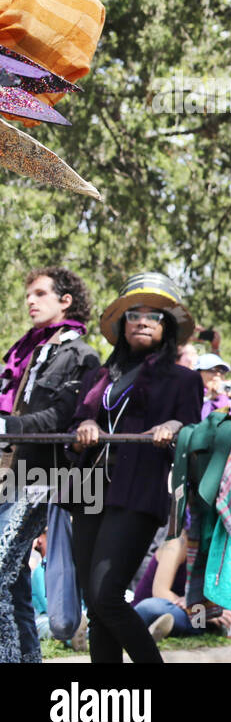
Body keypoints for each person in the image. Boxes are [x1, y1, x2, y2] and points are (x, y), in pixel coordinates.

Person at [69, 273, 204, 664]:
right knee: (95, 606)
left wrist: (173, 428)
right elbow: (78, 420)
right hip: (87, 489)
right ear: (122, 324)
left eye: (154, 316)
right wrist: (86, 425)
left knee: (107, 596)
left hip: (138, 490)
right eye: (133, 315)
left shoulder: (184, 379)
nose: (143, 321)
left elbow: (191, 427)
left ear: (168, 328)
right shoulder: (98, 377)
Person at [0, 267, 100, 663]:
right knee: (15, 580)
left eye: (40, 293)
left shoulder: (81, 354)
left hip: (46, 477)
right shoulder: (26, 350)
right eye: (28, 294)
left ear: (65, 301)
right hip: (12, 474)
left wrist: (6, 425)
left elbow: (60, 418)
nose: (30, 301)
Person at [196, 352, 231, 419]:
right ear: (198, 373)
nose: (218, 374)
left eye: (222, 371)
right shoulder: (191, 397)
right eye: (212, 370)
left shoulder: (229, 401)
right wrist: (207, 399)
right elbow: (200, 426)